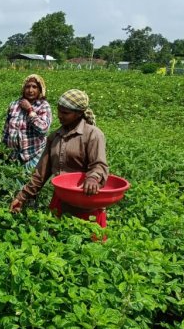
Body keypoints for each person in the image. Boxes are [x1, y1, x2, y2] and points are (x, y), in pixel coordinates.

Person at [9, 89, 109, 227]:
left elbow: (99, 164)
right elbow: (40, 174)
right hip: (60, 201)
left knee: (88, 245)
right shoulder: (55, 137)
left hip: (86, 202)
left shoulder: (93, 135)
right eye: (59, 111)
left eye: (65, 113)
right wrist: (22, 197)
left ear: (79, 114)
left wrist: (93, 178)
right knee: (56, 243)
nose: (60, 116)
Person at [0, 74, 52, 169]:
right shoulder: (14, 105)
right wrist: (1, 148)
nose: (30, 90)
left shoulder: (43, 106)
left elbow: (43, 129)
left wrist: (30, 110)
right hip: (13, 156)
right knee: (11, 181)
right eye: (27, 86)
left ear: (40, 90)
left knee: (25, 183)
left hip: (33, 155)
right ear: (23, 89)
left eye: (34, 87)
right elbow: (6, 129)